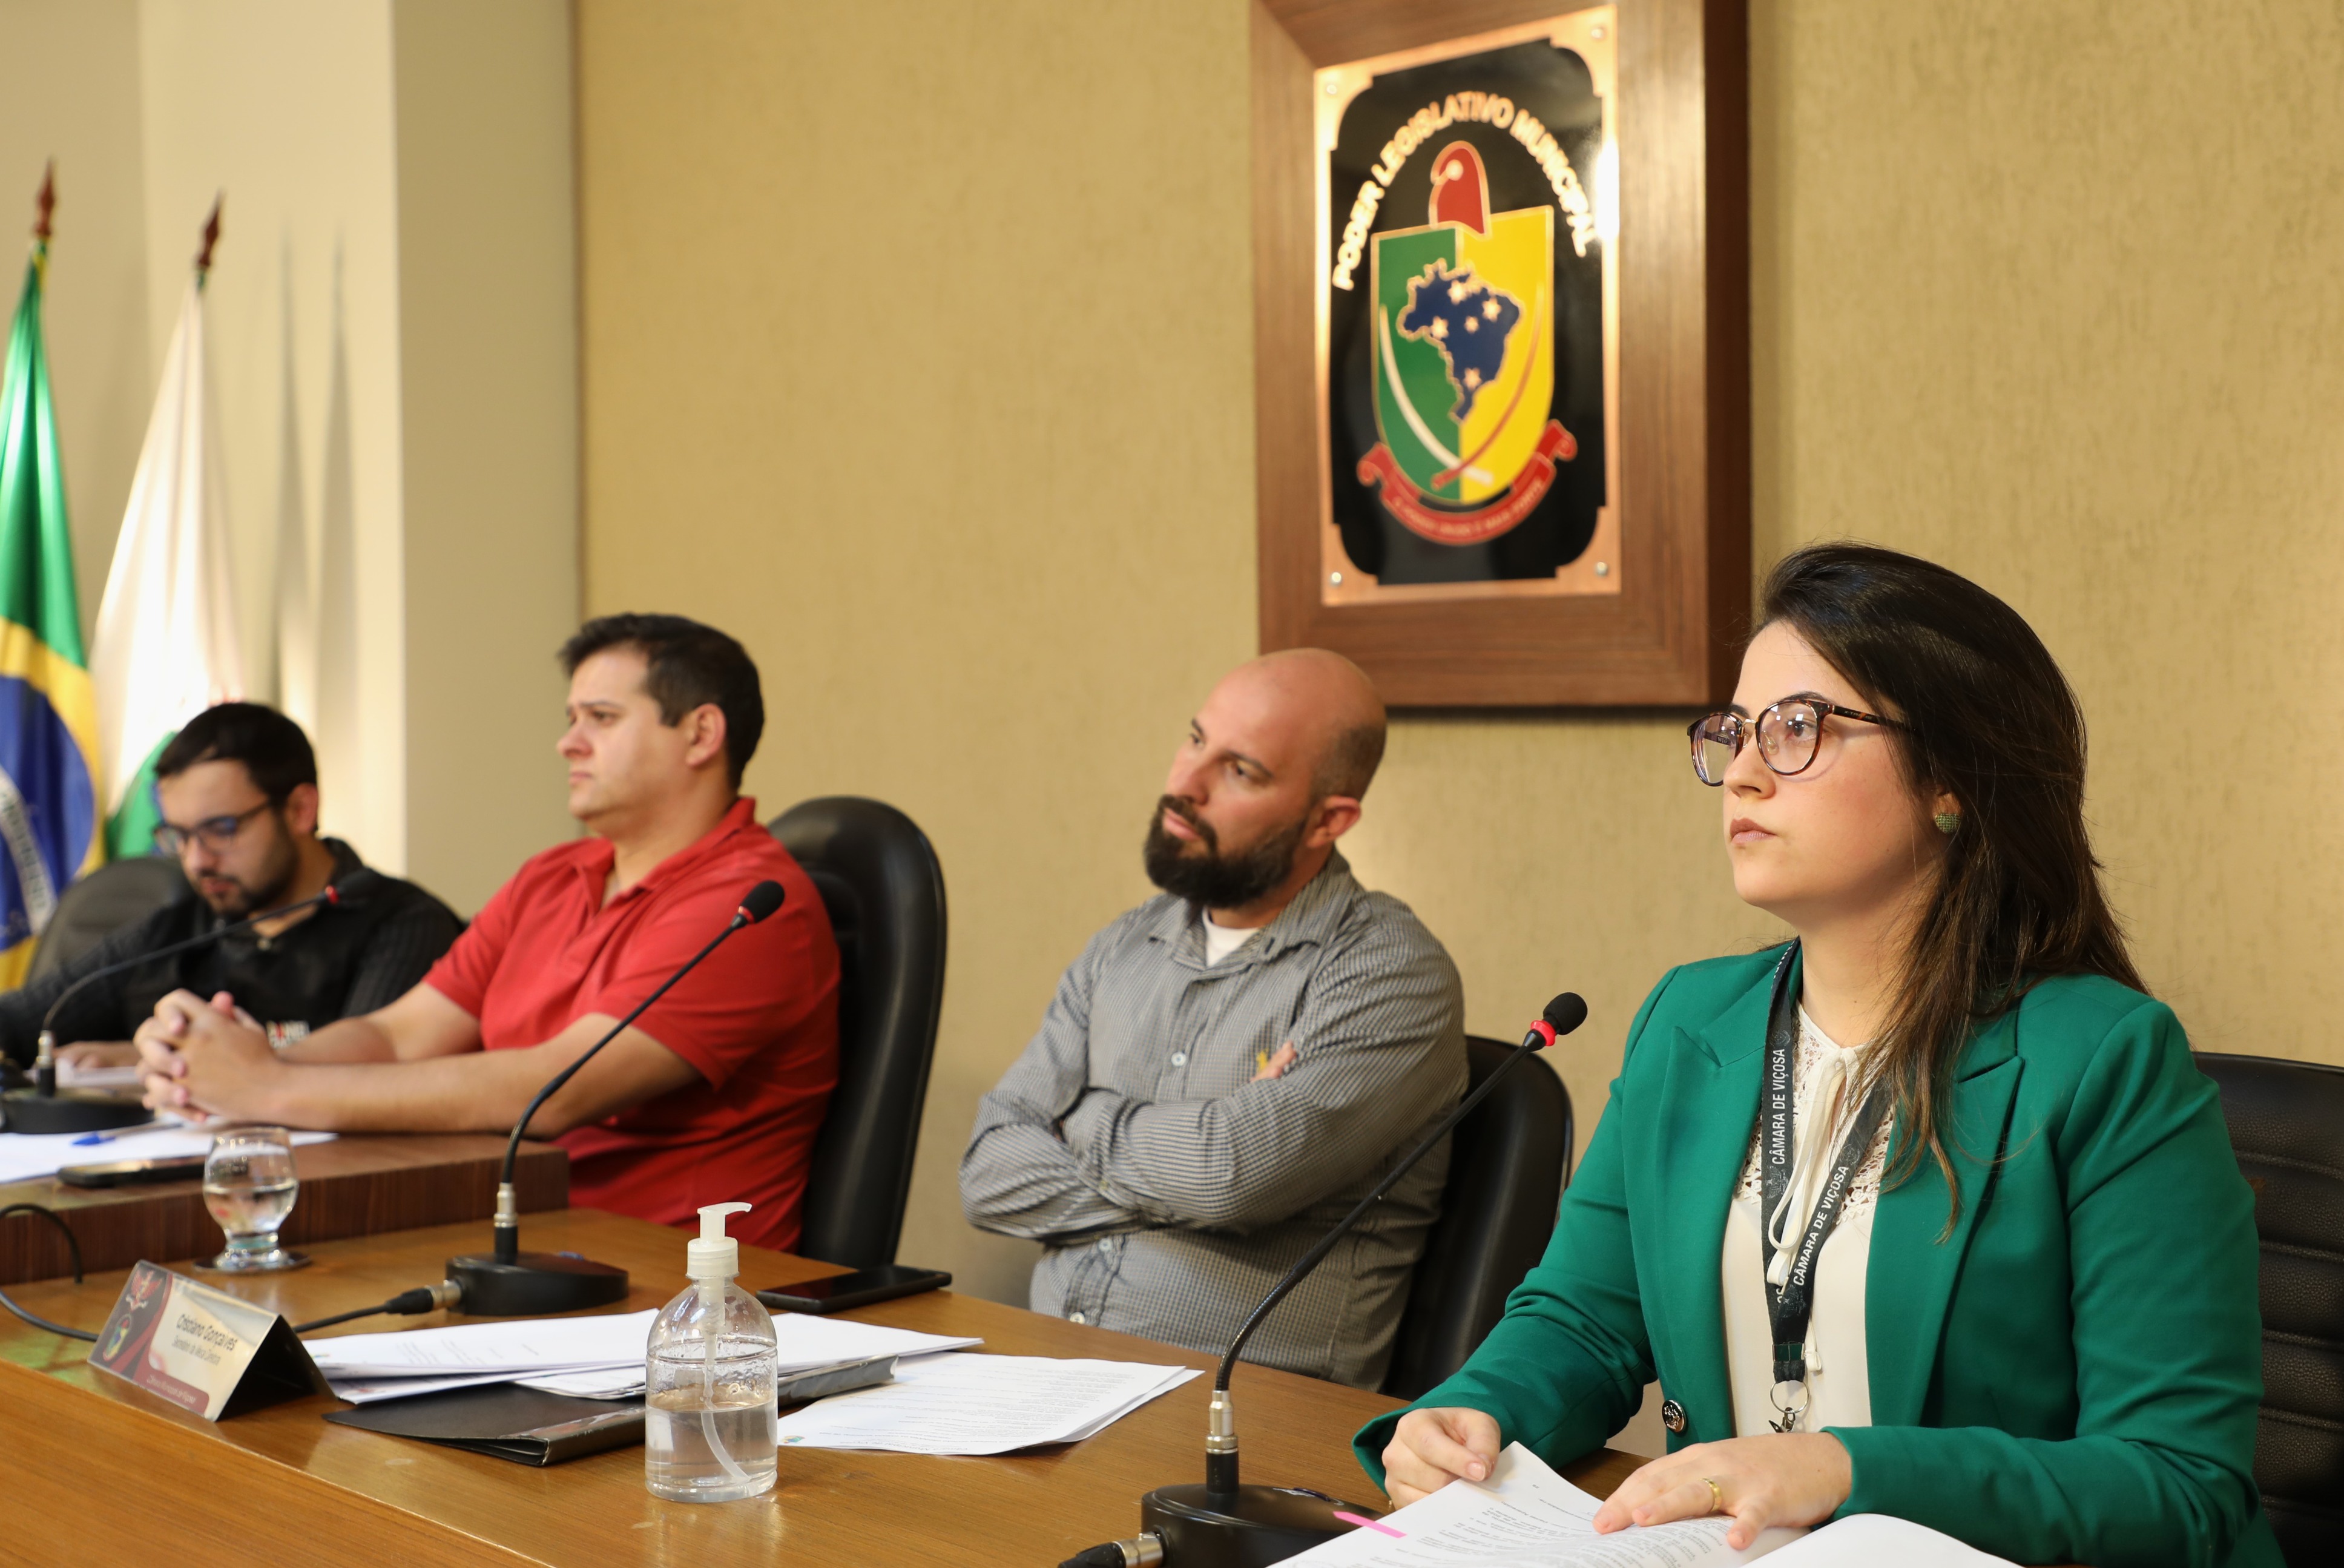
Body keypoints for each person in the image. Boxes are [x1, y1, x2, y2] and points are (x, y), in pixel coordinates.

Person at [1361, 544, 2276, 1566]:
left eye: (1798, 727)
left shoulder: (2104, 1059)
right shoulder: (1689, 1022)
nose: (1744, 769)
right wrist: (1474, 1413)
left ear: (1950, 781)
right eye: (1733, 731)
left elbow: (2175, 1483)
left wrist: (1844, 1469)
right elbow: (1584, 1319)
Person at [136, 614, 840, 1254]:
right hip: (507, 1238)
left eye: (600, 717)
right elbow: (397, 1035)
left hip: (674, 1290)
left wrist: (266, 1093)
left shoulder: (749, 904)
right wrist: (237, 1065)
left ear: (700, 734)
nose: (568, 742)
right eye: (570, 717)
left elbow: (548, 1091)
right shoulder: (551, 876)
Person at [960, 649, 1465, 1389]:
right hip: (1045, 1378)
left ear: (1329, 819)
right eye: (1194, 740)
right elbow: (987, 1172)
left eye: (1240, 771)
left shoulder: (1389, 972)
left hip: (1238, 1421)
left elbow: (1228, 1175)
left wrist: (1082, 1117)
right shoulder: (1125, 944)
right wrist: (1185, 1169)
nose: (1183, 786)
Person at [0, 703, 460, 1072]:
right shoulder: (176, 928)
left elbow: (367, 1062)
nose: (197, 860)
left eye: (222, 828)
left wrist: (157, 1057)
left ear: (300, 810)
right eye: (179, 836)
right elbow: (22, 1021)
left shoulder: (403, 924)